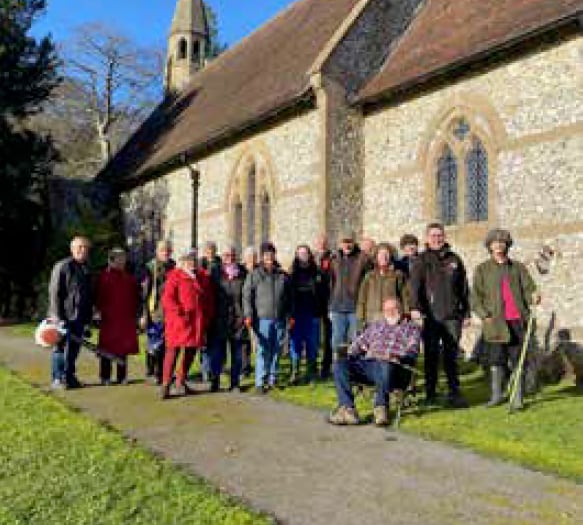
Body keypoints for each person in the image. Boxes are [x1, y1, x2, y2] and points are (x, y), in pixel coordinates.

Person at [472, 229, 539, 409]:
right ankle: (496, 396)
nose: (499, 245)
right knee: (496, 361)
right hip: (495, 323)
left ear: (507, 245)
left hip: (517, 321)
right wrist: (484, 315)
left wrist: (534, 295)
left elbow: (528, 288)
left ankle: (518, 399)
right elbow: (475, 297)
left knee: (518, 360)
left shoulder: (518, 267)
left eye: (502, 242)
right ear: (490, 246)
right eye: (495, 242)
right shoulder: (482, 269)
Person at [329, 298, 421, 426]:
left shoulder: (411, 328)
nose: (390, 312)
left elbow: (413, 351)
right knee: (340, 364)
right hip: (371, 365)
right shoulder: (376, 326)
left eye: (394, 309)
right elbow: (358, 344)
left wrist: (397, 357)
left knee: (385, 364)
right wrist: (351, 353)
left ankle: (381, 407)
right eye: (386, 310)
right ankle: (347, 409)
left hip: (395, 368)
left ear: (400, 310)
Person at [409, 223, 470, 408]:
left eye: (440, 235)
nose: (437, 238)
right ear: (427, 238)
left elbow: (464, 289)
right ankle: (430, 394)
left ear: (444, 237)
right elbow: (414, 288)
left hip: (452, 316)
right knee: (431, 356)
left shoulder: (454, 260)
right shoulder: (421, 260)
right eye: (433, 235)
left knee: (451, 356)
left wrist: (466, 312)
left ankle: (454, 393)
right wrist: (415, 308)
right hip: (431, 317)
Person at [160, 248, 214, 399]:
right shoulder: (174, 276)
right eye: (188, 260)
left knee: (191, 352)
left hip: (196, 322)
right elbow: (167, 299)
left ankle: (180, 380)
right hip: (179, 322)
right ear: (182, 262)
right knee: (172, 352)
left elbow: (208, 299)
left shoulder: (202, 277)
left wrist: (208, 316)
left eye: (193, 260)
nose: (192, 263)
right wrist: (179, 313)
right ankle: (165, 384)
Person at [243, 242, 291, 393]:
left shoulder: (282, 275)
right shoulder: (254, 275)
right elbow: (247, 296)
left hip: (280, 318)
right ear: (262, 257)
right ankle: (260, 381)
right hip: (262, 319)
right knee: (263, 350)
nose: (269, 257)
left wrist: (290, 315)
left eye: (271, 254)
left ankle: (272, 379)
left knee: (276, 350)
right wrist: (248, 315)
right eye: (266, 255)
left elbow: (290, 298)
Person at [47, 236, 93, 389]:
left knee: (74, 350)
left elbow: (87, 295)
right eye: (79, 247)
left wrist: (89, 317)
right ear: (72, 249)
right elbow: (54, 292)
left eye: (85, 247)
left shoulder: (86, 268)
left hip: (79, 317)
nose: (83, 250)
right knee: (60, 349)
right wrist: (56, 317)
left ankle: (69, 377)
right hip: (63, 316)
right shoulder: (63, 266)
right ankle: (57, 379)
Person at [95, 248, 140, 385]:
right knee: (106, 348)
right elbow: (98, 296)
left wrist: (136, 315)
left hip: (125, 318)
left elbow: (135, 297)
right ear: (111, 260)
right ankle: (105, 376)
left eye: (124, 259)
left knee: (123, 348)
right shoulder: (103, 276)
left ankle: (122, 376)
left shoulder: (128, 278)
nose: (123, 262)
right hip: (109, 318)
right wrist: (97, 312)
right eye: (120, 259)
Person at [209, 245, 247, 393]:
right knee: (217, 353)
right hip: (219, 318)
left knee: (237, 353)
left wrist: (244, 315)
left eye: (232, 255)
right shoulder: (216, 272)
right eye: (226, 256)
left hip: (237, 318)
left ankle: (235, 383)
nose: (229, 258)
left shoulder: (243, 272)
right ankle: (215, 381)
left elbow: (246, 295)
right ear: (222, 257)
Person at [328, 230, 369, 366]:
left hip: (355, 306)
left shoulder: (362, 259)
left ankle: (356, 369)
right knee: (337, 340)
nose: (347, 245)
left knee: (356, 340)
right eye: (344, 242)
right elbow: (331, 284)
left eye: (349, 242)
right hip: (337, 306)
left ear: (354, 242)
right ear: (340, 244)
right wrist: (330, 306)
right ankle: (339, 368)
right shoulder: (334, 259)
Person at [288, 244, 327, 384]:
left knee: (312, 345)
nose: (303, 255)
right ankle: (295, 372)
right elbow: (286, 296)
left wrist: (322, 312)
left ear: (310, 255)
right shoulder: (292, 275)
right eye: (300, 253)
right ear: (297, 255)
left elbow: (323, 294)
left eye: (305, 253)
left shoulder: (317, 273)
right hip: (296, 315)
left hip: (313, 314)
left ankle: (311, 373)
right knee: (295, 345)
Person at [140, 240, 175, 385]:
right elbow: (144, 293)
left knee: (166, 345)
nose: (165, 253)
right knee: (155, 344)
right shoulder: (150, 268)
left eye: (167, 250)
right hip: (155, 312)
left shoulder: (173, 266)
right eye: (162, 250)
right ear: (157, 252)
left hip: (170, 312)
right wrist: (143, 314)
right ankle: (153, 371)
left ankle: (161, 372)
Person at [357, 242, 409, 328]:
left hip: (392, 317)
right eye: (380, 254)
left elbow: (405, 296)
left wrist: (406, 313)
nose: (383, 257)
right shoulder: (369, 276)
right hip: (372, 318)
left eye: (386, 254)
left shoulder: (398, 275)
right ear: (376, 256)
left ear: (391, 256)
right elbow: (362, 298)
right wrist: (360, 318)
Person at [199, 240, 221, 382]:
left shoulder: (220, 265)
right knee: (204, 342)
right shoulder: (200, 265)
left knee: (214, 341)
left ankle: (213, 369)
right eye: (207, 250)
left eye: (212, 250)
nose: (210, 252)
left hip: (217, 306)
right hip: (203, 307)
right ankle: (205, 369)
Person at [313, 234, 333, 379]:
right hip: (313, 301)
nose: (321, 244)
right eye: (319, 242)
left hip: (328, 301)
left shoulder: (332, 258)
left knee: (328, 336)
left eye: (324, 242)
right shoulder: (310, 258)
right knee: (313, 336)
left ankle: (326, 367)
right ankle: (312, 366)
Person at [240, 246, 258, 377]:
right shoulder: (240, 271)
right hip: (242, 310)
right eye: (249, 257)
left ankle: (259, 367)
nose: (251, 259)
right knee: (244, 340)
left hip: (258, 310)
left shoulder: (259, 270)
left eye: (253, 257)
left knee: (257, 341)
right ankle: (245, 367)